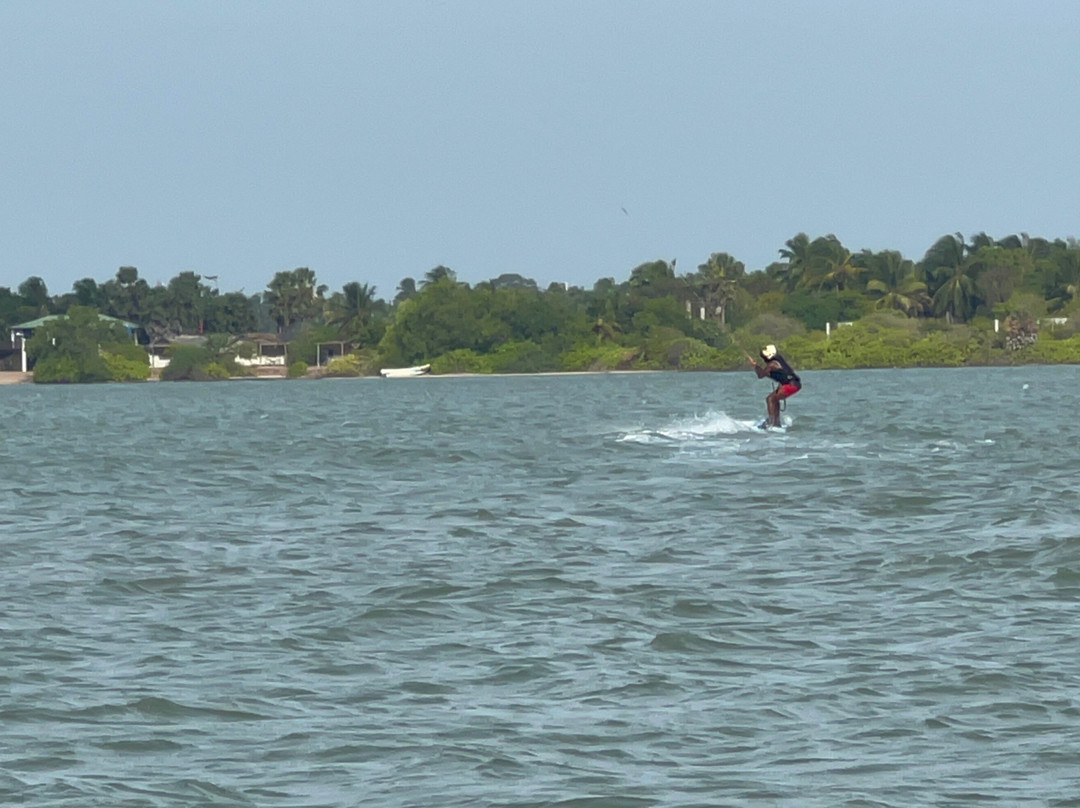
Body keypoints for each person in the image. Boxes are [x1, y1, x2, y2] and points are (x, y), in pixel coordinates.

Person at [746, 344, 801, 427]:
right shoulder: (777, 361)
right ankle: (776, 422)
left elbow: (761, 375)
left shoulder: (772, 364)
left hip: (791, 385)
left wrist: (755, 365)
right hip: (794, 384)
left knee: (770, 399)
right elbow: (767, 374)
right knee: (775, 399)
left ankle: (772, 423)